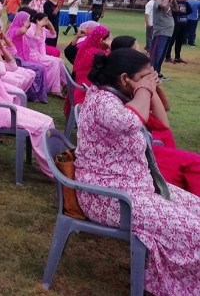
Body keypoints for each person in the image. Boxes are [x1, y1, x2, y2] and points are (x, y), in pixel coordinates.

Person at [75, 48, 200, 296]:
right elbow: (129, 122)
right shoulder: (103, 101)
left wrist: (149, 87)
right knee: (194, 230)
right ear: (124, 78)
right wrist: (144, 89)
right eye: (145, 77)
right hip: (108, 197)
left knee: (197, 209)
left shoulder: (120, 95)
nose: (150, 82)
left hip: (135, 187)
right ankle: (178, 286)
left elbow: (162, 123)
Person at [110, 35, 200, 197]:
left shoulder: (129, 88)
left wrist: (153, 87)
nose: (141, 54)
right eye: (135, 51)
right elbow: (160, 123)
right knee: (193, 163)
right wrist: (146, 87)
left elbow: (165, 108)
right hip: (138, 155)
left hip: (144, 145)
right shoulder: (115, 98)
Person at [0, 25, 55, 176]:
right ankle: (52, 170)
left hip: (2, 106)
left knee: (47, 120)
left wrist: (1, 47)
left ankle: (55, 162)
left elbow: (13, 67)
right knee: (41, 127)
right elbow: (0, 70)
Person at [8, 12, 66, 96]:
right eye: (45, 20)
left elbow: (53, 35)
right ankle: (54, 89)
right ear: (38, 20)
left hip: (40, 54)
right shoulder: (30, 28)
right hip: (32, 55)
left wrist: (49, 24)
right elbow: (37, 38)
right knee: (54, 62)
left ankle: (64, 84)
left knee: (60, 61)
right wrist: (37, 26)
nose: (46, 22)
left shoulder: (42, 29)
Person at [71, 25, 112, 106]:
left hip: (80, 87)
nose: (110, 41)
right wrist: (110, 47)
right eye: (108, 39)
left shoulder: (85, 46)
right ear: (101, 40)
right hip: (86, 92)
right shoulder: (97, 53)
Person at [149, 0, 176, 80]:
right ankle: (151, 72)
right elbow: (162, 6)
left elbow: (176, 9)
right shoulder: (159, 1)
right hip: (161, 31)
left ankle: (157, 71)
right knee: (156, 53)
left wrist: (174, 0)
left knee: (162, 54)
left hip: (168, 31)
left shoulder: (169, 2)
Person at [165, 0, 192, 64]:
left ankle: (177, 57)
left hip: (183, 23)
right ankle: (167, 56)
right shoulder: (175, 2)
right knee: (171, 40)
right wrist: (179, 13)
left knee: (180, 41)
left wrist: (186, 3)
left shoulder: (185, 2)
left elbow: (190, 10)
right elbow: (173, 10)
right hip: (175, 23)